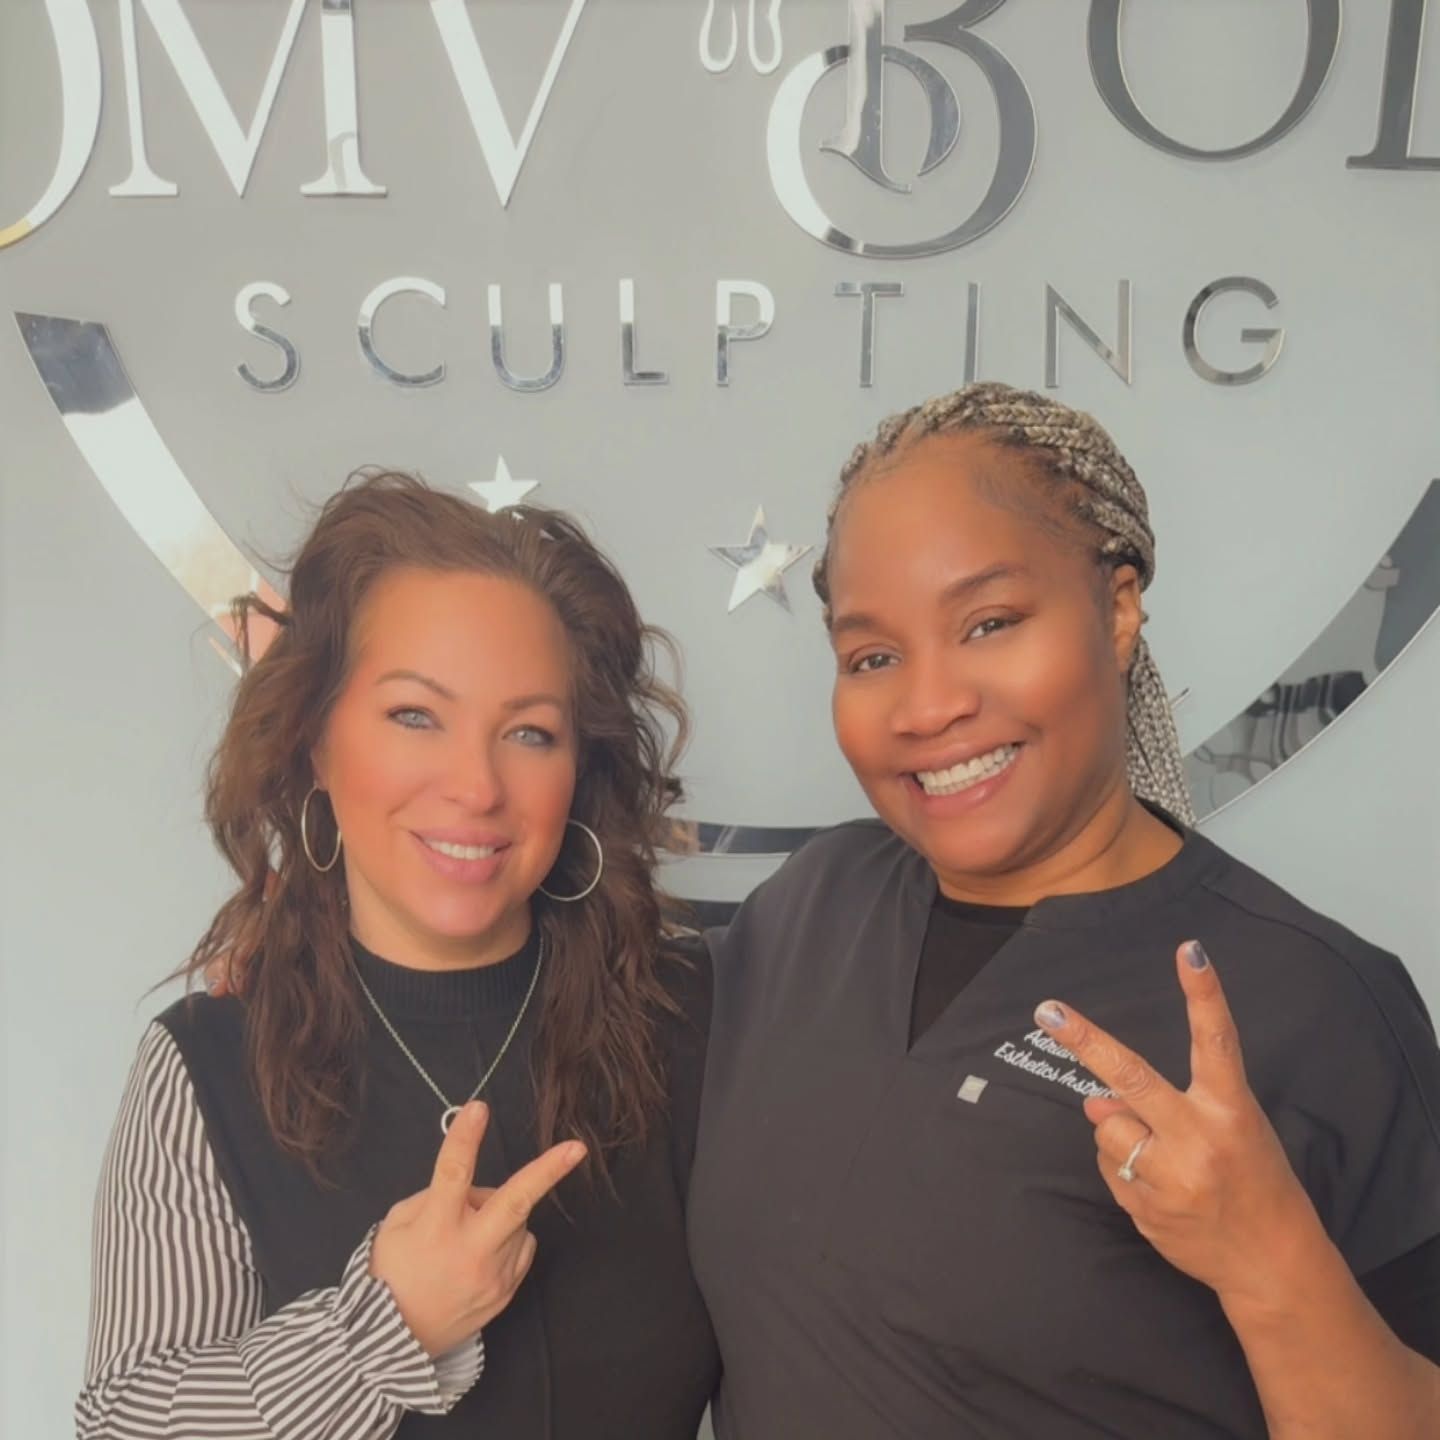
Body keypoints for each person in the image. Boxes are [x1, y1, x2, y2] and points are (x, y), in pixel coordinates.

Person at [689, 382, 1440, 1438]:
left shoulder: (1315, 1003)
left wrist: (1272, 1262)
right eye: (872, 656)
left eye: (989, 623)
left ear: (1118, 608)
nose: (929, 705)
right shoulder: (813, 909)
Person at [78, 473, 719, 1439]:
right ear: (315, 742)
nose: (475, 786)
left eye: (530, 733)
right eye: (416, 715)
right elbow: (127, 1423)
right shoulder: (205, 1064)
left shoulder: (693, 1017)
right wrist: (385, 1329)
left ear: (578, 771)